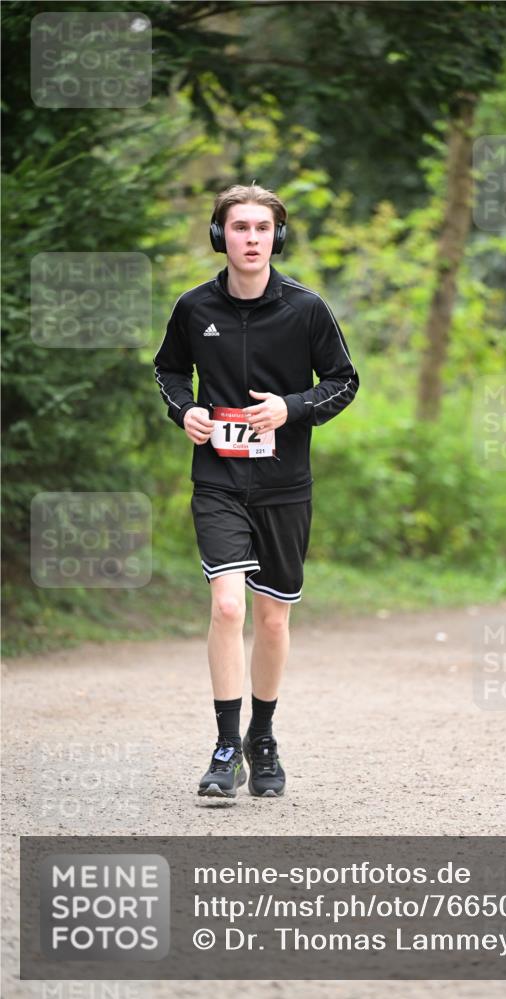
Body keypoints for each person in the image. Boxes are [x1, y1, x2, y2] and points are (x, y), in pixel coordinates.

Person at [153, 183, 359, 799]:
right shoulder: (194, 308)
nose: (251, 239)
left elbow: (344, 381)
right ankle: (225, 747)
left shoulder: (306, 309)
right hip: (218, 481)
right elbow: (168, 370)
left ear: (278, 237)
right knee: (227, 607)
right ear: (220, 236)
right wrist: (185, 411)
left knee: (271, 619)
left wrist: (290, 408)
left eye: (262, 229)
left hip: (284, 485)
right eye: (240, 227)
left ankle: (261, 738)